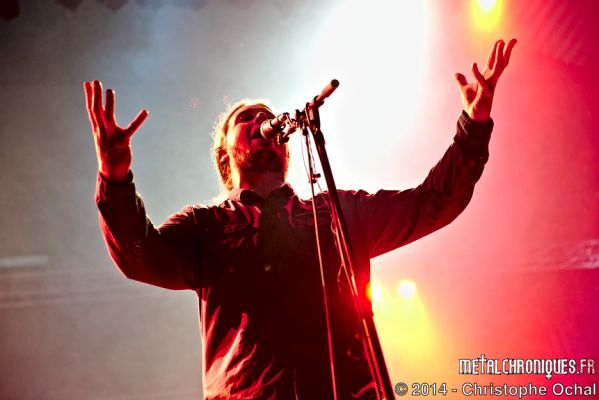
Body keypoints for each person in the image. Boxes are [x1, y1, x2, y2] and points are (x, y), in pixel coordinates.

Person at [84, 39, 517, 399]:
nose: (261, 120)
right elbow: (139, 258)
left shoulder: (338, 213)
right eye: (245, 118)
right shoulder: (205, 226)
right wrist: (115, 177)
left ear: (287, 144)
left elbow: (433, 203)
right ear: (224, 154)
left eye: (265, 115)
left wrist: (474, 124)